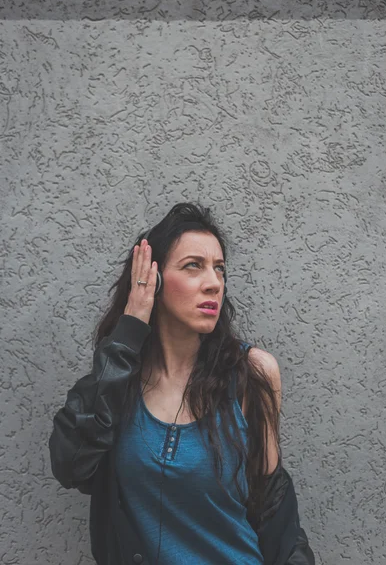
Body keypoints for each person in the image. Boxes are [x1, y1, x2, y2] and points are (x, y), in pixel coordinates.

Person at [49, 202, 315, 565]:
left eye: (220, 269)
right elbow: (71, 464)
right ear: (153, 280)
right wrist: (129, 331)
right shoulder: (119, 380)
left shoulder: (251, 373)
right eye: (194, 266)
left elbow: (273, 510)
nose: (214, 283)